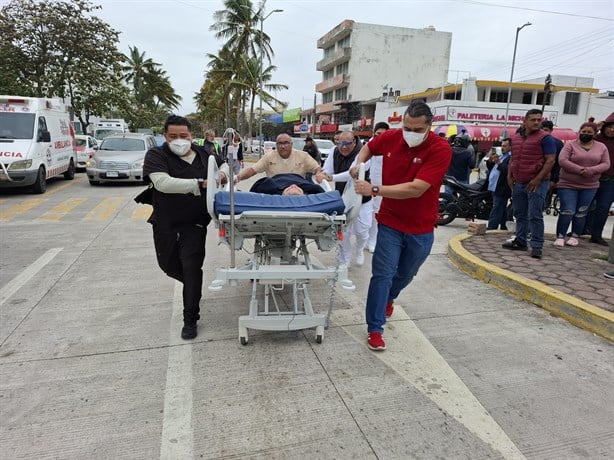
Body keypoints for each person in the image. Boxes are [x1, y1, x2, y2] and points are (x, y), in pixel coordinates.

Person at [349, 102, 452, 351]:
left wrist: (374, 189)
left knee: (407, 273)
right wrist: (358, 164)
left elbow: (417, 188)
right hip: (390, 222)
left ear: (429, 126)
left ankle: (390, 298)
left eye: (417, 129)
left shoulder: (440, 149)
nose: (410, 133)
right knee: (382, 275)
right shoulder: (392, 138)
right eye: (407, 127)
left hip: (421, 225)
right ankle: (375, 328)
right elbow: (369, 148)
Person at [143, 115, 228, 340]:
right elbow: (162, 183)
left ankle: (190, 318)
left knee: (191, 268)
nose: (179, 140)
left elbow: (224, 165)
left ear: (192, 136)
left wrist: (221, 174)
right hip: (165, 221)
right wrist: (199, 184)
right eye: (173, 136)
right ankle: (193, 286)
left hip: (195, 222)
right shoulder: (156, 155)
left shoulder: (204, 154)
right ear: (165, 136)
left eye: (184, 136)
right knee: (168, 265)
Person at [503, 108, 557, 259]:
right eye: (533, 119)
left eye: (539, 120)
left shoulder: (546, 139)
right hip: (519, 181)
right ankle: (520, 240)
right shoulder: (517, 137)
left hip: (537, 183)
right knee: (519, 213)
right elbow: (513, 157)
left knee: (535, 215)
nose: (536, 122)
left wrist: (538, 179)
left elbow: (550, 160)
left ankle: (537, 245)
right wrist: (510, 174)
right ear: (524, 121)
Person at [317, 130, 372, 267]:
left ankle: (359, 249)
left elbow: (352, 173)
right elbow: (327, 170)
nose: (343, 147)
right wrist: (322, 174)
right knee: (344, 231)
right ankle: (344, 260)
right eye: (340, 143)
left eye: (347, 143)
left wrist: (331, 177)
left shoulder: (363, 153)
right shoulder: (334, 152)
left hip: (362, 198)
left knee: (362, 231)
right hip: (342, 198)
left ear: (354, 142)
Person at [552, 122, 610, 247]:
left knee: (581, 212)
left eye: (589, 133)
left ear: (595, 134)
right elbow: (562, 160)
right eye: (584, 132)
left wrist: (591, 171)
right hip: (568, 184)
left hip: (590, 186)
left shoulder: (601, 147)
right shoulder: (570, 145)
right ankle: (560, 236)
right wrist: (580, 170)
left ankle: (575, 235)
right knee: (567, 210)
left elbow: (606, 164)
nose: (586, 134)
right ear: (579, 132)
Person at [235, 133, 322, 183]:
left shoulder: (303, 156)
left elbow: (316, 168)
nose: (283, 146)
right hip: (275, 192)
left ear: (292, 144)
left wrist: (319, 174)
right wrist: (238, 178)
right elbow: (252, 170)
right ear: (276, 145)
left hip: (297, 191)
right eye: (280, 143)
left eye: (286, 143)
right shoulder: (269, 157)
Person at [586, 112, 614, 246]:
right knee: (584, 206)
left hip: (610, 181)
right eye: (609, 126)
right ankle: (578, 230)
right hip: (591, 178)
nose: (611, 130)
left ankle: (596, 234)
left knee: (603, 208)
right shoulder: (595, 140)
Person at [366, 122, 390, 253]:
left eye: (384, 134)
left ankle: (372, 240)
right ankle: (365, 240)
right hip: (369, 185)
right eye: (378, 134)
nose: (381, 137)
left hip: (383, 187)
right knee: (366, 215)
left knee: (377, 214)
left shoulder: (391, 147)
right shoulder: (369, 146)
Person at [486, 138, 512, 230]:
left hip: (502, 187)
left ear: (510, 147)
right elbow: (492, 168)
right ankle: (505, 225)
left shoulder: (510, 157)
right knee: (501, 207)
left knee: (497, 207)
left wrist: (498, 162)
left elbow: (507, 171)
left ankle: (491, 227)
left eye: (505, 146)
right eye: (502, 146)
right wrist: (490, 161)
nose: (502, 148)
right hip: (494, 186)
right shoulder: (502, 156)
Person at [249, 173, 325, 195]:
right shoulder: (312, 189)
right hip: (299, 177)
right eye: (298, 189)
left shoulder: (270, 187)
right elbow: (320, 191)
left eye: (289, 188)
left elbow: (253, 192)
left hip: (277, 177)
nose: (293, 185)